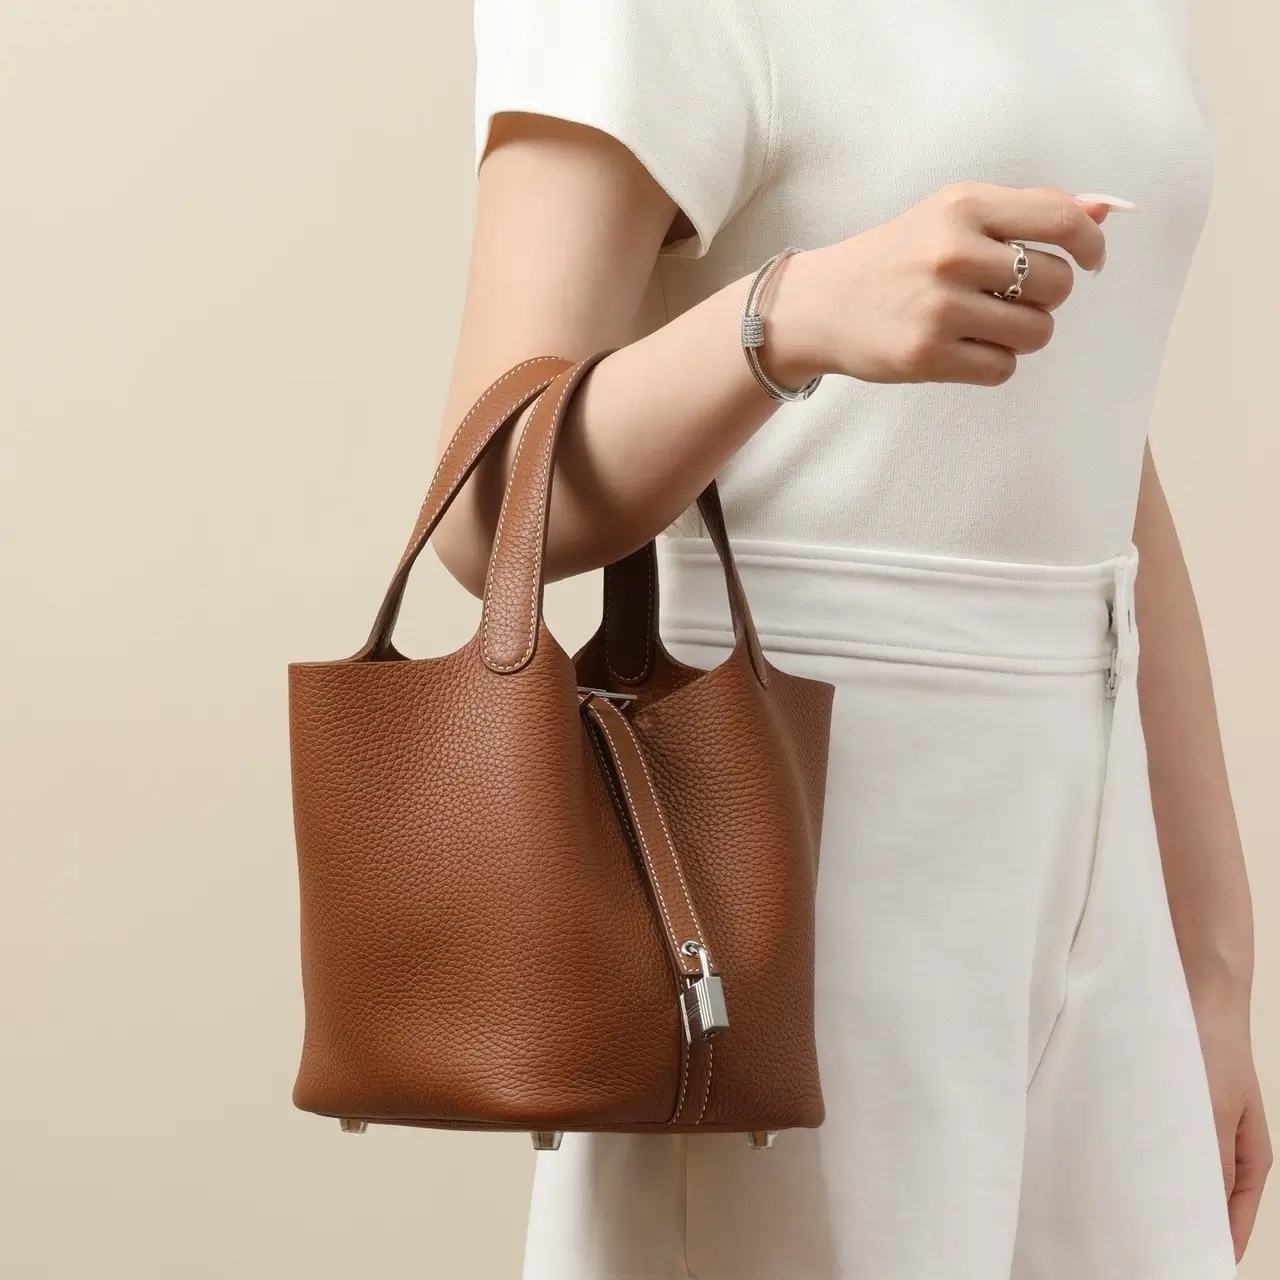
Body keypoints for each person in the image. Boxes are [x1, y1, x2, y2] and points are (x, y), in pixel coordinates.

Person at [432, 1, 1270, 1276]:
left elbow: (1100, 459)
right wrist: (789, 315)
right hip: (790, 832)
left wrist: (1208, 964)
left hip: (1100, 864)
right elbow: (485, 497)